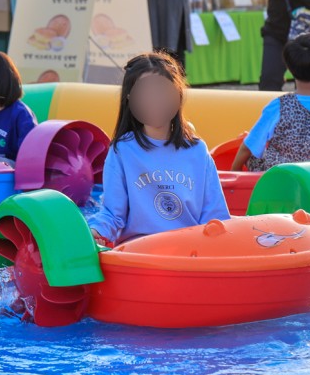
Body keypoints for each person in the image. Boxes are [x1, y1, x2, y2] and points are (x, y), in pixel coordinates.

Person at [88, 52, 230, 246]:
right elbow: (113, 214)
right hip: (140, 253)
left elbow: (215, 216)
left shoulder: (197, 150)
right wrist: (92, 232)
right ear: (130, 99)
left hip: (191, 253)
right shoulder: (122, 151)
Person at [232, 34, 310, 172]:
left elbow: (247, 148)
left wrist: (233, 176)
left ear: (291, 70)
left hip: (282, 179)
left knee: (251, 143)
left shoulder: (278, 106)